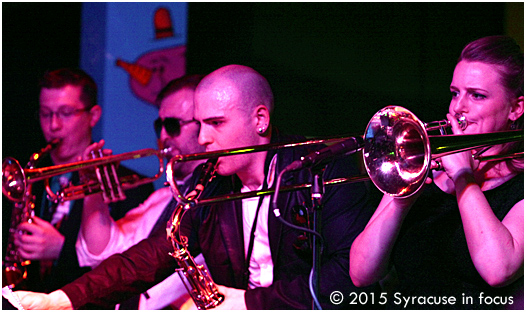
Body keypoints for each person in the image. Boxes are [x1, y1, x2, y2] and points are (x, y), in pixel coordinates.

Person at [13, 64, 377, 310]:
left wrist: (250, 304)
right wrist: (62, 299)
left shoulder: (322, 169)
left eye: (216, 123)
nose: (203, 139)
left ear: (260, 119)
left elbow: (348, 278)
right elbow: (148, 257)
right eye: (200, 124)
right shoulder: (213, 185)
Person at [349, 35, 524, 309]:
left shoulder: (520, 185)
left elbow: (498, 270)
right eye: (456, 93)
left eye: (477, 95)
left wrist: (464, 178)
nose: (459, 108)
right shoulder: (422, 168)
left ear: (516, 108)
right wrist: (402, 199)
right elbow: (361, 274)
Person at [11, 68, 154, 293]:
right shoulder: (29, 177)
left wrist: (63, 250)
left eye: (65, 113)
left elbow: (131, 270)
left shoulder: (132, 184)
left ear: (93, 116)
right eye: (45, 113)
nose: (53, 126)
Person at [76, 75, 207, 309]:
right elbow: (99, 254)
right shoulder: (161, 199)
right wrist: (92, 188)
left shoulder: (218, 201)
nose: (163, 136)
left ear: (205, 125)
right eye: (160, 125)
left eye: (173, 125)